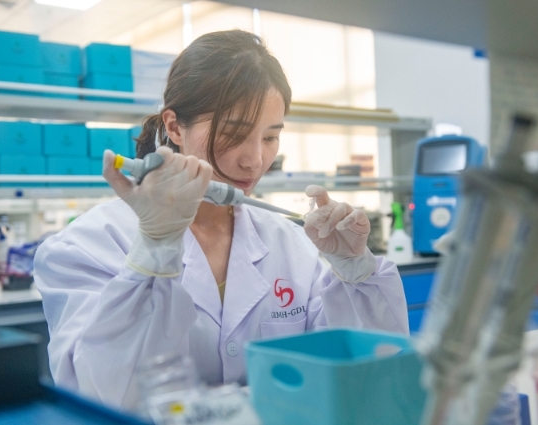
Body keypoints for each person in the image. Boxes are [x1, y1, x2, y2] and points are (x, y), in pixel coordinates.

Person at [34, 29, 409, 411]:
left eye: (270, 137)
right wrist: (153, 252)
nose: (255, 160)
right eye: (234, 133)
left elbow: (364, 379)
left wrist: (355, 274)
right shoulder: (87, 245)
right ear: (175, 127)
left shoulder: (291, 244)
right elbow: (100, 396)